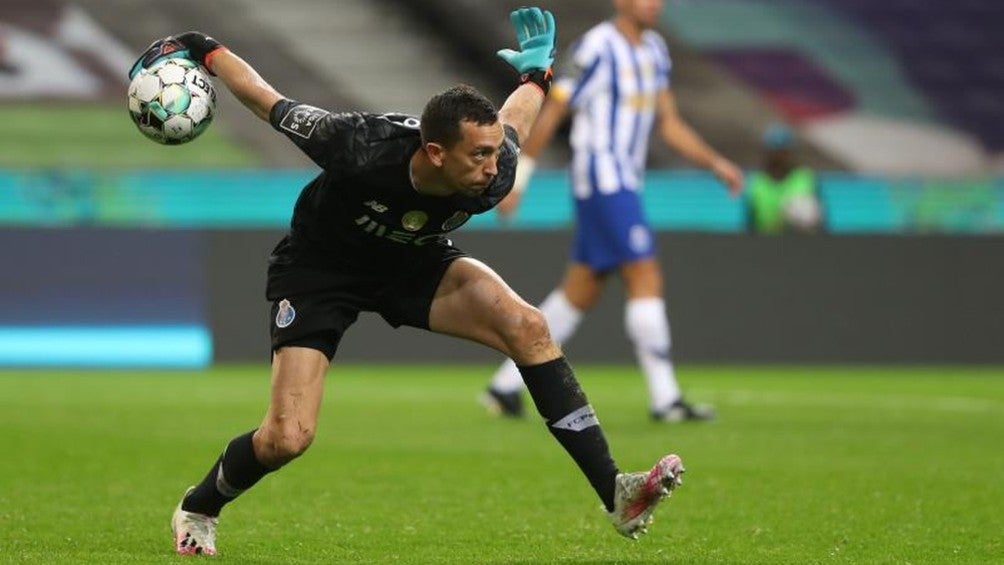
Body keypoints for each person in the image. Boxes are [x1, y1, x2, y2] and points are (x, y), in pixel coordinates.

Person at [129, 8, 685, 557]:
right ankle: (200, 506)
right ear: (435, 153)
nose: (493, 169)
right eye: (480, 156)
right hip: (321, 270)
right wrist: (200, 46)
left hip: (413, 262)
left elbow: (515, 121)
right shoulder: (358, 144)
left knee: (528, 327)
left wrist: (536, 75)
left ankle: (615, 492)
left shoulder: (492, 172)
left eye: (495, 154)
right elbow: (265, 100)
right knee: (286, 439)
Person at [483, 0, 744, 422]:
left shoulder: (656, 50)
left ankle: (505, 385)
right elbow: (554, 110)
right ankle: (666, 399)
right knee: (645, 273)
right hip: (602, 180)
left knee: (580, 291)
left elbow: (669, 123)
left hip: (624, 182)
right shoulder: (596, 47)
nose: (655, 4)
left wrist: (715, 164)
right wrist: (520, 175)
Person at [747, 123, 821, 234]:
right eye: (775, 151)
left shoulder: (804, 178)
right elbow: (749, 224)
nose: (779, 157)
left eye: (783, 151)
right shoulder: (756, 183)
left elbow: (820, 219)